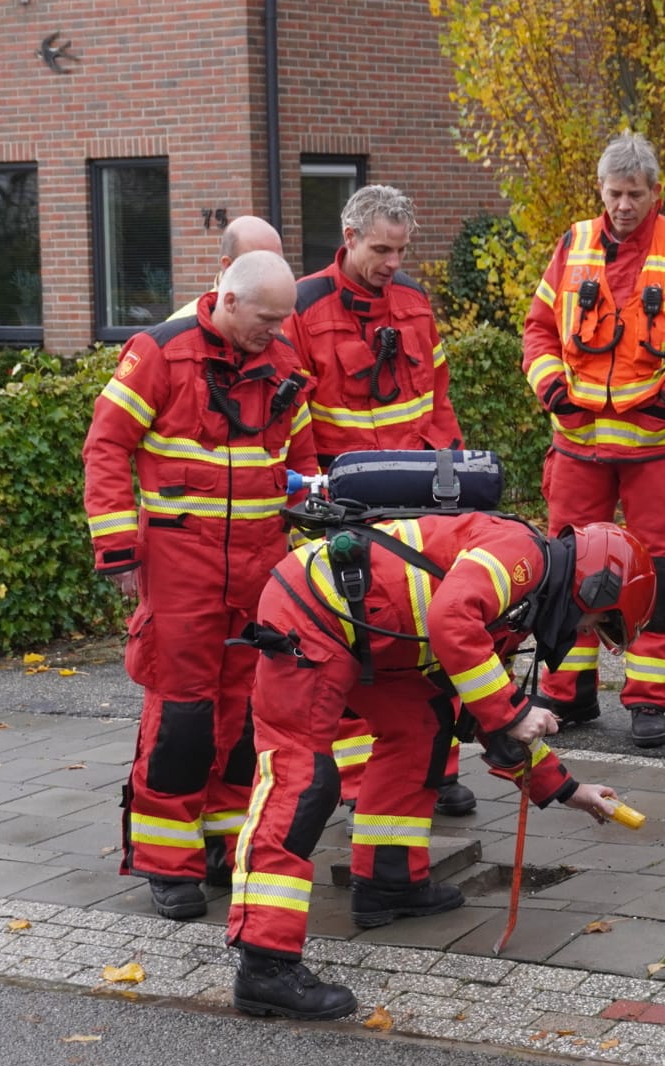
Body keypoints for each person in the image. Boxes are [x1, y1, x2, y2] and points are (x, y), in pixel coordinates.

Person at [227, 516, 654, 1019]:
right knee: (303, 779)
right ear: (594, 585)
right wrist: (512, 712)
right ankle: (264, 965)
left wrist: (568, 790)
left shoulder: (520, 608)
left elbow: (492, 720)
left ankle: (388, 883)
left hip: (375, 636)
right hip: (312, 612)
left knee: (423, 727)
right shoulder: (519, 555)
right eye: (598, 623)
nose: (586, 634)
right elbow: (452, 620)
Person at [82, 250, 319, 919]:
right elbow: (106, 445)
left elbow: (300, 462)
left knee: (246, 713)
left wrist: (314, 529)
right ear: (227, 299)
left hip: (260, 568)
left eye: (283, 320)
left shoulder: (283, 365)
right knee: (182, 716)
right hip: (180, 566)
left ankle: (224, 842)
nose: (274, 332)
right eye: (265, 319)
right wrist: (117, 548)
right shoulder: (159, 352)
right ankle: (167, 862)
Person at [520, 133, 665, 750]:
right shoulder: (573, 243)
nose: (622, 205)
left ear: (655, 192)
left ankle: (648, 699)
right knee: (565, 565)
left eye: (634, 194)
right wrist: (551, 387)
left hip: (655, 448)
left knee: (656, 573)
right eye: (614, 193)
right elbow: (537, 331)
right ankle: (568, 690)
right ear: (600, 189)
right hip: (578, 444)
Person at [285, 184, 473, 816]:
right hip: (344, 507)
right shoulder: (304, 307)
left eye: (401, 251)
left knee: (434, 634)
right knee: (355, 642)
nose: (394, 263)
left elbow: (437, 399)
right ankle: (360, 782)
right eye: (382, 250)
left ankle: (436, 769)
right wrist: (308, 491)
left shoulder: (414, 303)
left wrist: (452, 476)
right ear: (349, 239)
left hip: (419, 501)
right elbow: (292, 415)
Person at [168, 216, 284, 320]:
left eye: (279, 264)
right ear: (228, 265)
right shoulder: (183, 327)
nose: (274, 275)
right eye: (260, 266)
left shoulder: (290, 315)